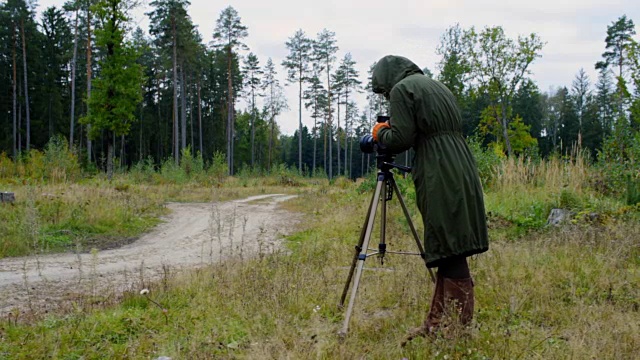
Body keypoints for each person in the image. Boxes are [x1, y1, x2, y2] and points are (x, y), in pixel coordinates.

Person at [370, 55, 489, 345]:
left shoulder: (402, 89)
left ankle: (457, 331)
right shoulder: (437, 86)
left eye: (384, 91)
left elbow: (401, 138)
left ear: (387, 79)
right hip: (460, 163)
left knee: (451, 245)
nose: (387, 95)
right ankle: (437, 324)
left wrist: (379, 133)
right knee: (449, 246)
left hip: (439, 169)